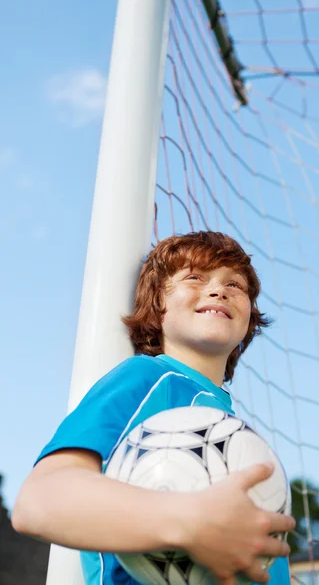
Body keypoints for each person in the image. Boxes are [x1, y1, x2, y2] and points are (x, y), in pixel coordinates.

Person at [12, 231, 295, 585]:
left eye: (235, 285)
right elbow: (39, 502)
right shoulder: (147, 379)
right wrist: (189, 520)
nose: (220, 290)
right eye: (194, 277)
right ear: (158, 303)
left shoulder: (238, 436)